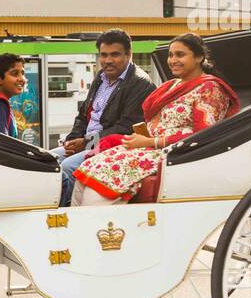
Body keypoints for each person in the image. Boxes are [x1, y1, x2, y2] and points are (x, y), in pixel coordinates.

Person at [72, 33, 239, 205]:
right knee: (86, 171)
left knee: (100, 182)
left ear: (199, 57)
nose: (173, 60)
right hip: (148, 146)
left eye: (180, 55)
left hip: (174, 152)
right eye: (171, 55)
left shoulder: (210, 89)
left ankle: (101, 226)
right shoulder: (172, 85)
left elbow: (203, 137)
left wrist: (150, 141)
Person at [54, 29, 156, 206]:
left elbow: (125, 128)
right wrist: (72, 140)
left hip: (113, 147)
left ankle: (68, 217)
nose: (108, 60)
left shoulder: (140, 83)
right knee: (49, 159)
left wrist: (86, 142)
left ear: (129, 54)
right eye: (104, 55)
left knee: (68, 166)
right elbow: (84, 115)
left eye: (115, 55)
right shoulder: (100, 78)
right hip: (89, 143)